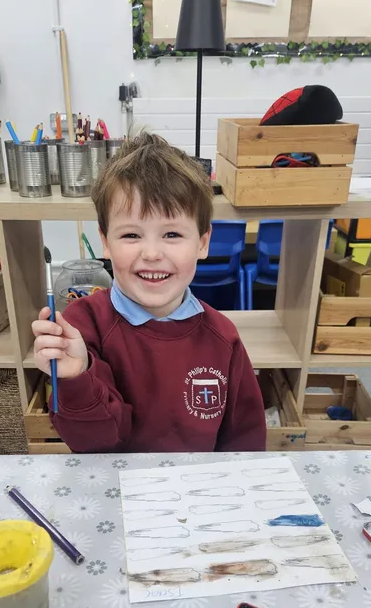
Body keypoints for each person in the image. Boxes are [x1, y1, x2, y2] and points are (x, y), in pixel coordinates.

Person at [32, 133, 265, 453]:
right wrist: (77, 376)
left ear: (203, 242)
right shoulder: (83, 327)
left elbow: (245, 439)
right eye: (131, 234)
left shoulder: (223, 337)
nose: (152, 253)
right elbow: (91, 443)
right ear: (105, 242)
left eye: (172, 234)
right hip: (114, 491)